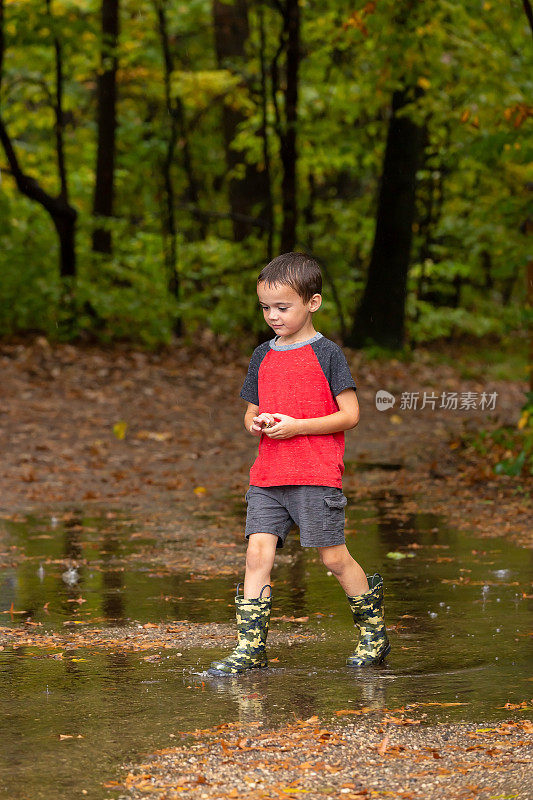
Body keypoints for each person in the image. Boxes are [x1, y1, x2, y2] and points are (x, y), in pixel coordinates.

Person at [208, 252, 390, 676]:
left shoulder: (327, 354)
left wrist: (298, 427)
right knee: (257, 553)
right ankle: (250, 649)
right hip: (268, 475)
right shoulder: (261, 355)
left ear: (312, 303)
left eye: (282, 307)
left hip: (315, 474)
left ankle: (374, 634)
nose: (272, 315)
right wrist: (262, 423)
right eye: (265, 307)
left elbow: (351, 415)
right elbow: (250, 414)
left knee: (333, 558)